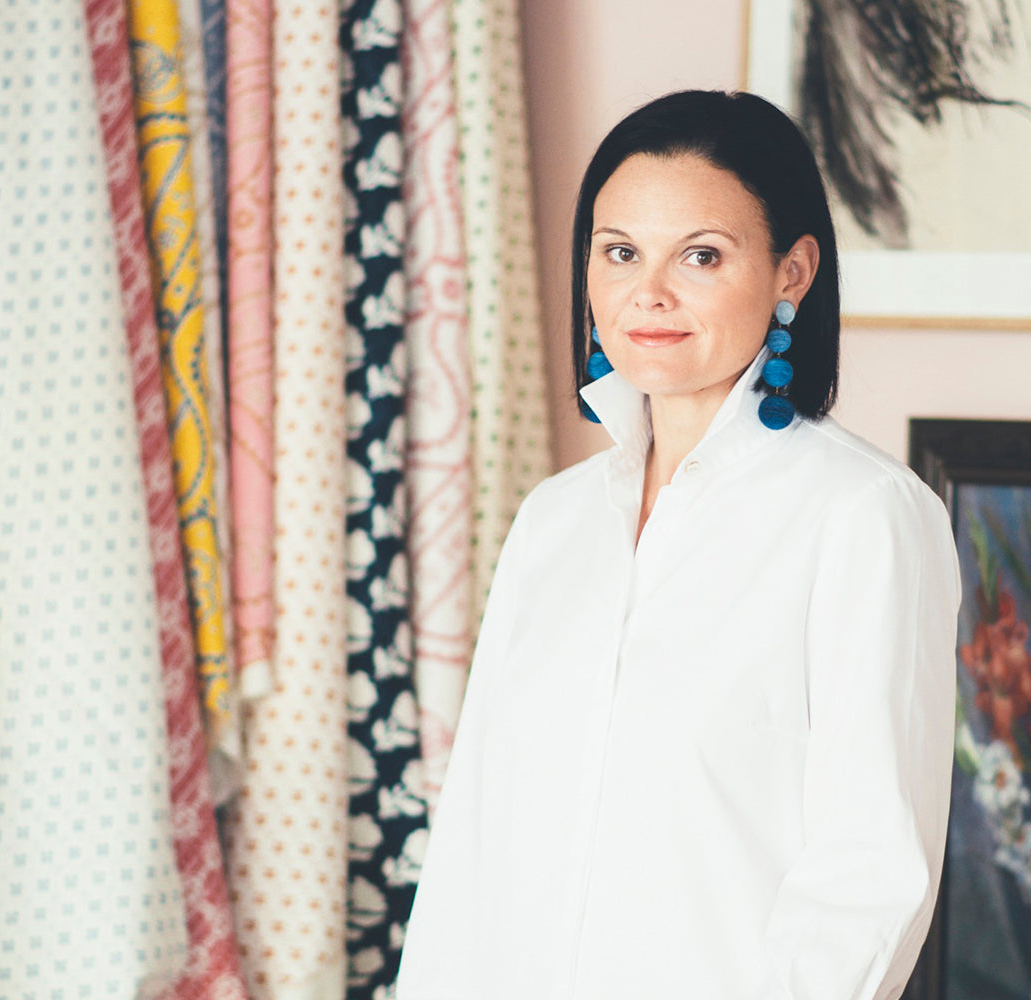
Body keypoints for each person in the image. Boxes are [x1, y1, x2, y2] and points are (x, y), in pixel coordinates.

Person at [395, 90, 961, 1000]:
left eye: (700, 255)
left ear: (793, 273)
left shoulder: (865, 518)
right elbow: (475, 837)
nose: (647, 294)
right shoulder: (554, 520)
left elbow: (870, 877)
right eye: (620, 252)